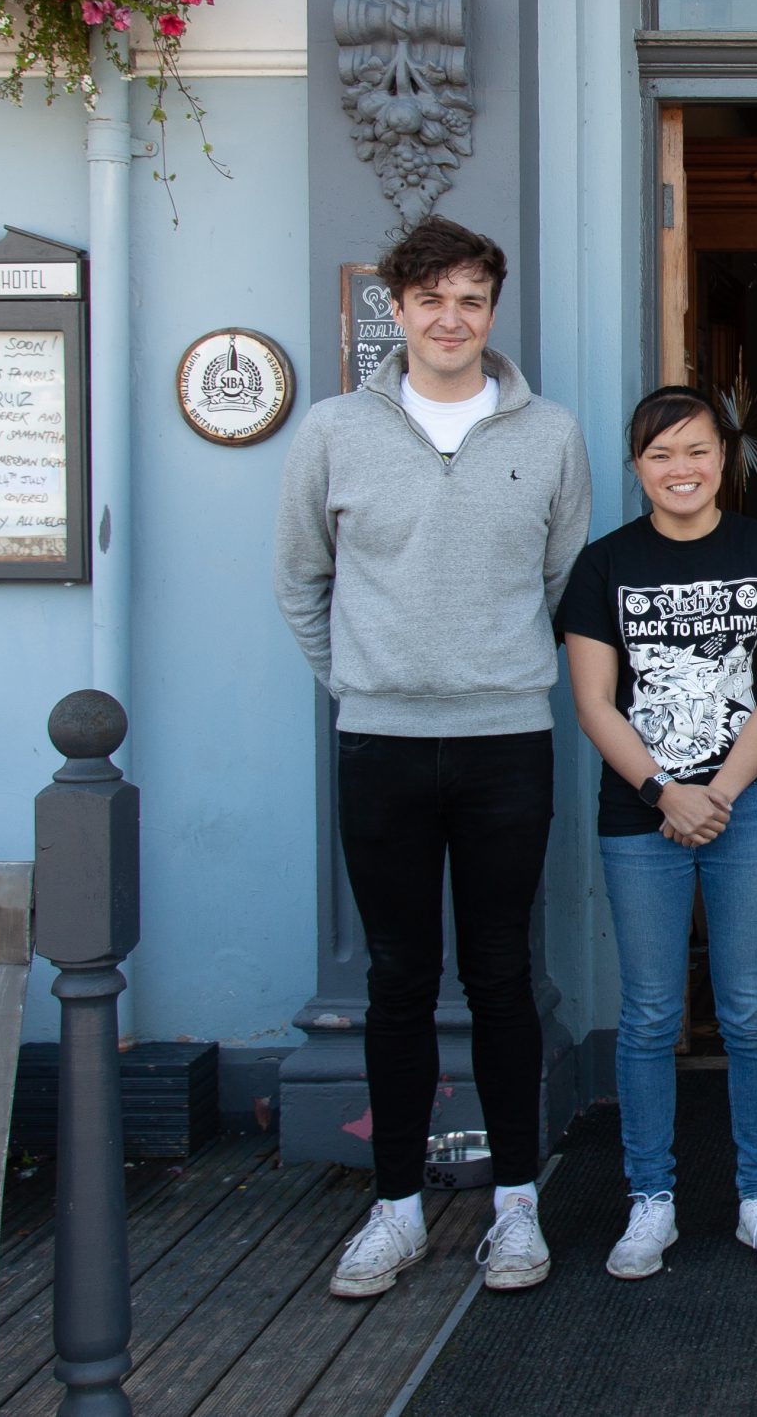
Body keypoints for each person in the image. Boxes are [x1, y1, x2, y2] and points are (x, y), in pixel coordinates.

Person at [273, 216, 593, 1299]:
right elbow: (299, 583)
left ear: (491, 312)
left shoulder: (548, 432)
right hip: (381, 746)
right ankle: (396, 1209)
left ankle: (515, 1208)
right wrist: (363, 678)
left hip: (509, 742)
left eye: (471, 300)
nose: (451, 320)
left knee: (501, 975)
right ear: (397, 311)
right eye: (431, 300)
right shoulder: (331, 431)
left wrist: (486, 667)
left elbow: (559, 582)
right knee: (398, 982)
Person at [558, 386, 757, 1281]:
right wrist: (664, 788)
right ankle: (650, 1199)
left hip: (746, 809)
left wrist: (718, 792)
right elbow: (594, 699)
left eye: (697, 450)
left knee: (749, 1007)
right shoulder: (603, 565)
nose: (682, 469)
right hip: (641, 815)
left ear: (725, 456)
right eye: (662, 454)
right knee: (650, 1013)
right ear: (638, 466)